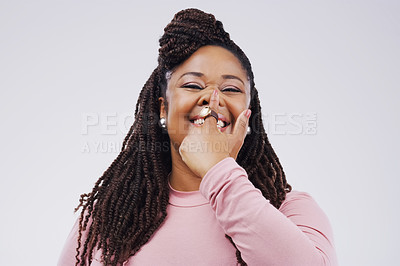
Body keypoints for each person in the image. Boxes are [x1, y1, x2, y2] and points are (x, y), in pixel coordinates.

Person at [58, 8, 337, 266]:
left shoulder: (292, 211)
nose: (213, 99)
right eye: (193, 85)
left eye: (231, 89)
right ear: (163, 108)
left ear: (248, 112)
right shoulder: (108, 218)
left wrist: (219, 172)